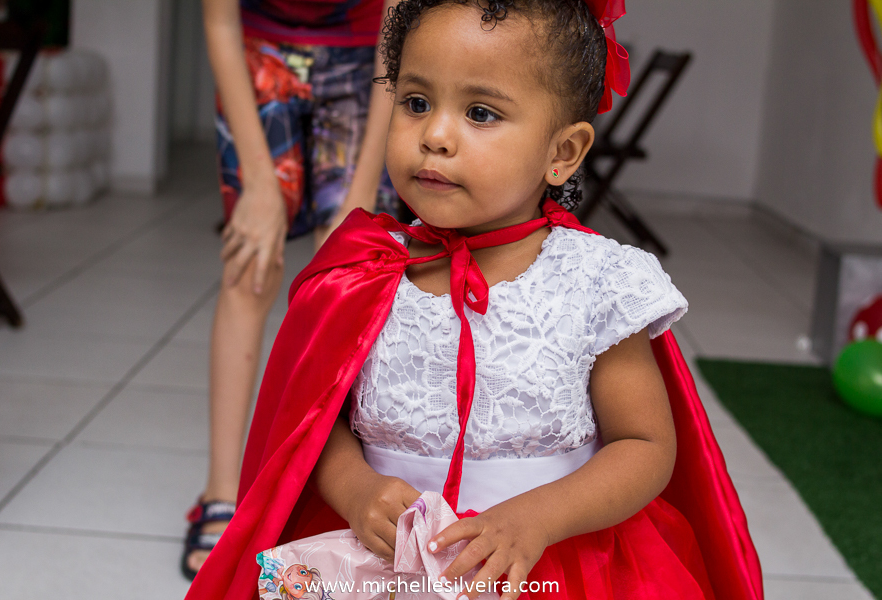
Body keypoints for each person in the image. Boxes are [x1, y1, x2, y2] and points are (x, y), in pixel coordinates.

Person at [186, 0, 764, 598]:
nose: (434, 136)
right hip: (381, 568)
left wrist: (538, 518)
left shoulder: (597, 283)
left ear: (563, 153)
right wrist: (355, 487)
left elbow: (645, 446)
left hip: (554, 565)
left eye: (480, 113)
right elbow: (315, 422)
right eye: (416, 102)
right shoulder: (362, 272)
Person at [183, 0, 400, 580]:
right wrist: (259, 183)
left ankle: (328, 491)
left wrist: (360, 193)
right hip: (259, 54)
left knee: (348, 278)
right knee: (249, 263)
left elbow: (397, 29)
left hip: (370, 61)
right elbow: (219, 20)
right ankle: (222, 492)